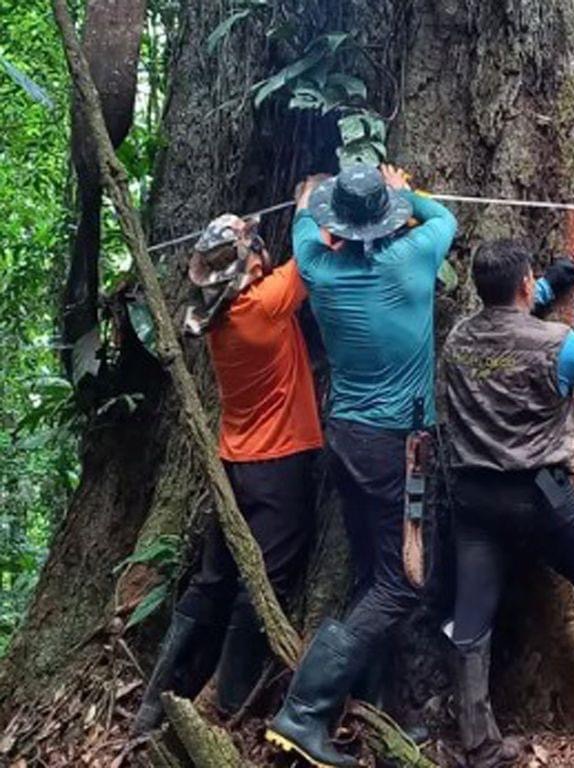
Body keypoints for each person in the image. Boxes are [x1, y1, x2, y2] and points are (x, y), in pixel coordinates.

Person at [264, 164, 458, 767]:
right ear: (385, 217)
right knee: (404, 581)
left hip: (346, 437)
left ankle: (376, 703)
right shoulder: (413, 260)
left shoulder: (317, 268)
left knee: (376, 571)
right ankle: (303, 711)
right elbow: (443, 217)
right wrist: (403, 190)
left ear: (335, 224)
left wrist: (310, 198)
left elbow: (301, 215)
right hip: (397, 447)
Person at [441, 239, 574, 767]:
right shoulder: (560, 343)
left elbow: (505, 332)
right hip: (540, 494)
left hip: (473, 498)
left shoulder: (458, 339)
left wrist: (546, 287)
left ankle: (478, 742)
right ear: (521, 284)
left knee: (472, 614)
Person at [132, 214, 322, 734]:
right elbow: (313, 254)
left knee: (213, 578)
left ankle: (156, 701)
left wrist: (232, 234)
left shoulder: (217, 317)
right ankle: (228, 697)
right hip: (277, 465)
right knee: (266, 579)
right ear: (252, 266)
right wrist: (308, 205)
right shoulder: (263, 305)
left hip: (234, 464)